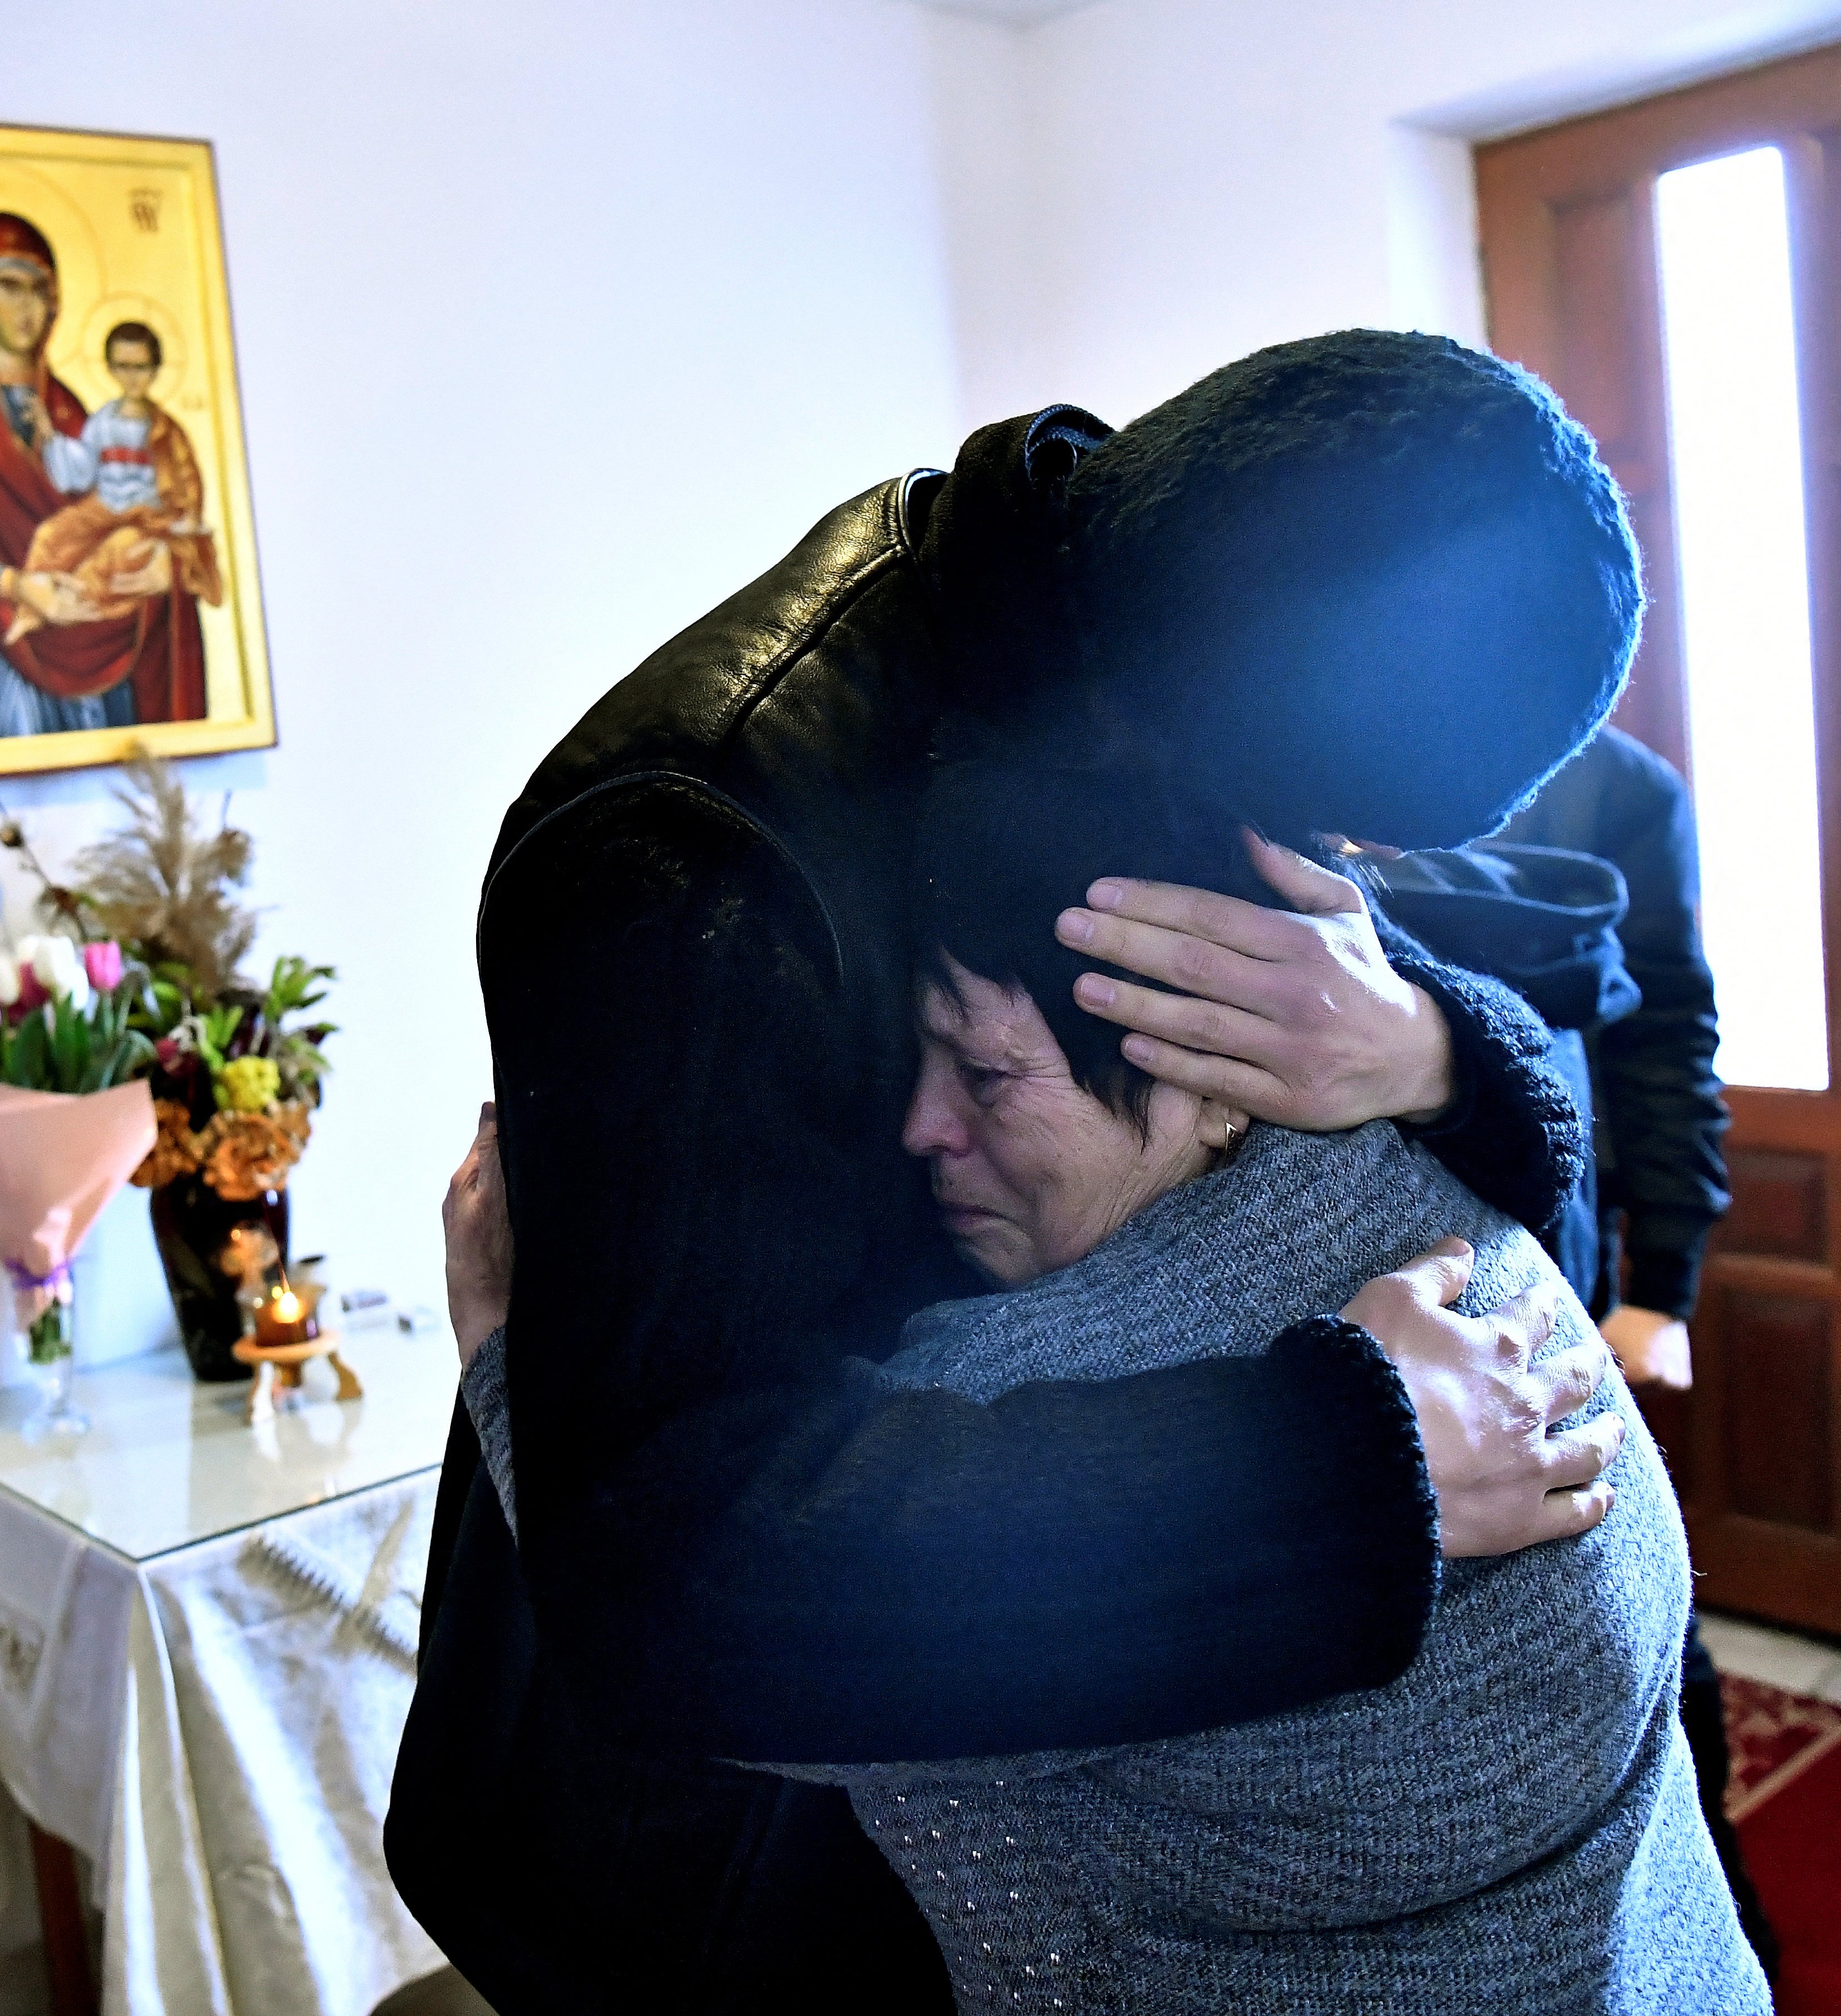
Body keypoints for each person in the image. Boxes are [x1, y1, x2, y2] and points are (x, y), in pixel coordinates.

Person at [391, 334, 1648, 2011]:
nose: (1330, 873)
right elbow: (673, 1571)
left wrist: (1422, 1034)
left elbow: (1535, 1169)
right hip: (786, 1853)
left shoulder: (1175, 614)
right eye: (1331, 832)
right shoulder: (685, 841)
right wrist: (1362, 1464)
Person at [448, 765, 1768, 2011]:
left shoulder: (1019, 1385)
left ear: (1208, 1077)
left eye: (984, 1071)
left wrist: (508, 1360)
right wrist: (1435, 1045)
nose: (919, 1129)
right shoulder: (1441, 1190)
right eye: (906, 1064)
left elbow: (711, 1666)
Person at [1492, 722, 1775, 1976]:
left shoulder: (1620, 784)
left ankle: (1711, 1934)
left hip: (1552, 1273)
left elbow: (1666, 1039)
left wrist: (1664, 1282)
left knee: (1636, 1614)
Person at [0, 214, 210, 741]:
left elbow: (145, 513)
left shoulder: (80, 416)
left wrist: (166, 565)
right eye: (9, 287)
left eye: (39, 290)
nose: (27, 306)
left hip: (100, 653)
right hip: (4, 657)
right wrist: (10, 583)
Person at [32, 320, 227, 621]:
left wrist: (181, 533)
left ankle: (76, 610)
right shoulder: (103, 421)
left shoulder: (165, 430)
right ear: (111, 368)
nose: (132, 377)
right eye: (123, 366)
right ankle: (31, 605)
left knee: (113, 554)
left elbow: (187, 486)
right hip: (105, 507)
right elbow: (82, 470)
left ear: (155, 369)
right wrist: (49, 437)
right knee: (50, 536)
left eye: (141, 367)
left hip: (145, 515)